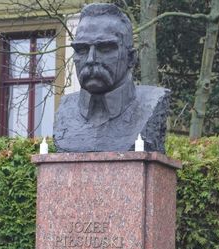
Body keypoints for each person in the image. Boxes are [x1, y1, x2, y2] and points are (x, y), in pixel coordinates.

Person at [53, 3, 170, 153]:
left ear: (131, 58)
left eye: (105, 49)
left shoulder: (152, 102)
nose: (90, 59)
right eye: (81, 49)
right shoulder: (66, 108)